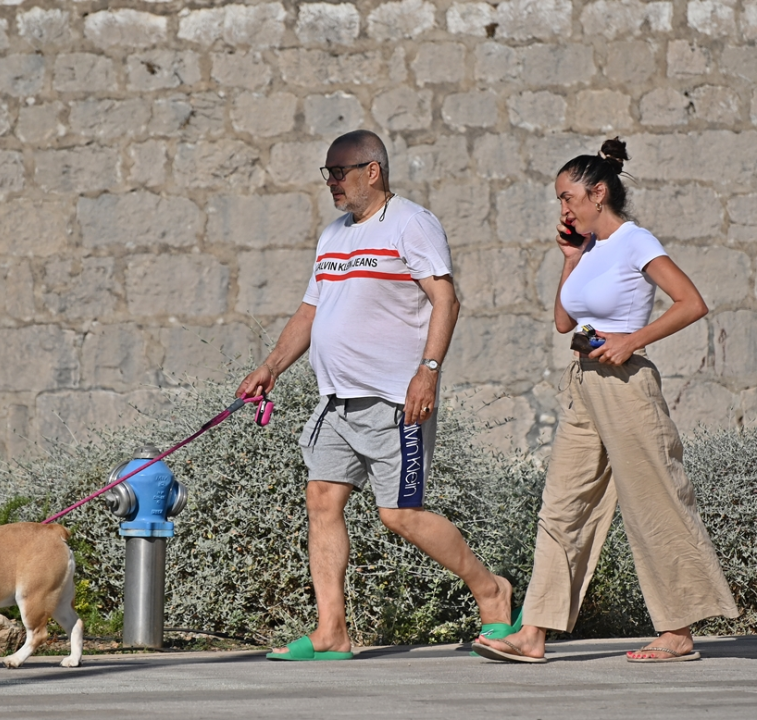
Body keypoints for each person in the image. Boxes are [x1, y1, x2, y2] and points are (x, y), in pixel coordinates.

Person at [236, 130, 514, 661]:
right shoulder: (333, 236)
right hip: (336, 401)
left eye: (339, 173)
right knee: (322, 500)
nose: (332, 183)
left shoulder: (411, 223)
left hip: (394, 401)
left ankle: (491, 590)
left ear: (373, 171)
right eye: (327, 174)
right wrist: (270, 366)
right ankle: (331, 633)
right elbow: (310, 311)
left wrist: (427, 372)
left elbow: (445, 300)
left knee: (400, 514)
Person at [473, 137, 739, 664]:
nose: (563, 209)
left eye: (569, 198)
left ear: (599, 193)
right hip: (583, 384)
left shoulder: (636, 241)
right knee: (562, 506)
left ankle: (678, 631)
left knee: (653, 502)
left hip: (625, 386)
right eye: (560, 201)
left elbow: (692, 303)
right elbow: (563, 322)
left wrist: (631, 340)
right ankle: (535, 632)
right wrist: (571, 259)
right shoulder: (589, 249)